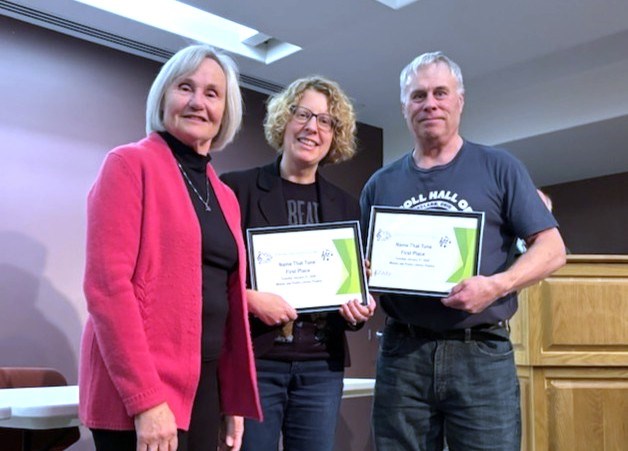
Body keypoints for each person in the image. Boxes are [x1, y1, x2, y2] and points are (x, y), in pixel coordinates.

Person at [360, 52, 566, 450]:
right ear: (404, 106)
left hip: (481, 355)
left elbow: (553, 249)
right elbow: (369, 269)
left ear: (460, 100)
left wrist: (496, 285)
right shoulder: (380, 185)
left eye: (440, 92)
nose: (430, 103)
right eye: (418, 96)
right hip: (403, 355)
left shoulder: (499, 167)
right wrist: (361, 290)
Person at [79, 44, 261, 451]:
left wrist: (230, 398)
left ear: (225, 110)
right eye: (185, 87)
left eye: (212, 93)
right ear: (164, 96)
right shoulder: (128, 164)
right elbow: (107, 289)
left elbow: (226, 301)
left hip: (204, 384)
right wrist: (146, 401)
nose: (198, 102)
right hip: (142, 390)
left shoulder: (223, 194)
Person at [221, 76, 376, 451]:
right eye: (303, 114)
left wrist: (358, 305)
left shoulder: (345, 205)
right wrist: (249, 298)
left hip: (321, 367)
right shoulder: (236, 189)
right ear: (283, 120)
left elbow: (347, 302)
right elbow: (212, 276)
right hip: (258, 363)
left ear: (335, 136)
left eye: (326, 121)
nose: (312, 127)